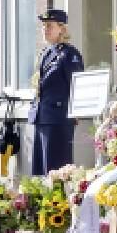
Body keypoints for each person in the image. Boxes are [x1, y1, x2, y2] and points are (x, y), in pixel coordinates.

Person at [28, 9, 83, 175]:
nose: (45, 29)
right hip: (42, 116)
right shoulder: (45, 53)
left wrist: (76, 113)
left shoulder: (69, 54)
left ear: (62, 29)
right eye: (44, 26)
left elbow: (76, 85)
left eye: (49, 26)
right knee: (40, 171)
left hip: (59, 119)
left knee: (56, 171)